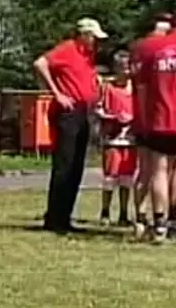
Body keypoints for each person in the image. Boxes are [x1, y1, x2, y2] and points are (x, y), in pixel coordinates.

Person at [33, 17, 107, 233]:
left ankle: (65, 215)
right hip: (68, 111)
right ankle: (55, 217)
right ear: (84, 35)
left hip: (84, 111)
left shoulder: (87, 56)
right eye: (94, 38)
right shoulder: (67, 49)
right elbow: (40, 63)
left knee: (76, 166)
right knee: (64, 164)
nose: (96, 43)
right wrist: (57, 94)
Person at [134, 10, 176, 240]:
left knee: (158, 168)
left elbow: (141, 87)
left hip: (158, 116)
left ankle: (159, 220)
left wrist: (143, 117)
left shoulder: (155, 49)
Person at [131, 12, 172, 221]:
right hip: (158, 114)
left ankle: (139, 214)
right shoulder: (158, 48)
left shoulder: (138, 47)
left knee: (145, 169)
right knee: (161, 169)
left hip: (141, 113)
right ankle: (163, 215)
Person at [97, 49, 138, 228]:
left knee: (127, 178)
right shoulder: (107, 87)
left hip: (130, 139)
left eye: (129, 67)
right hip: (112, 139)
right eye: (123, 67)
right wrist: (111, 117)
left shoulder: (136, 89)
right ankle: (105, 211)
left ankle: (123, 213)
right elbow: (97, 108)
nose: (126, 70)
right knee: (110, 177)